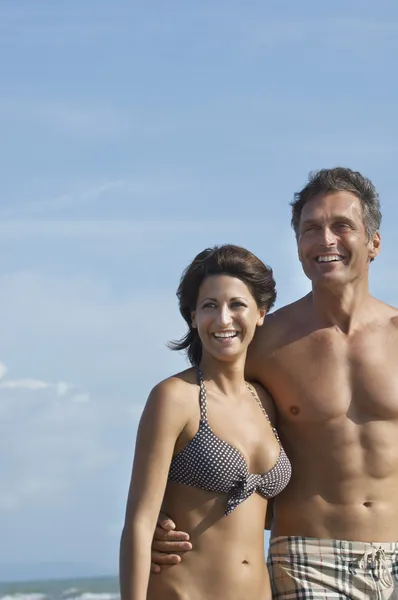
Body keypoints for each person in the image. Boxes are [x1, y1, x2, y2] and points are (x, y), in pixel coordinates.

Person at [150, 167, 398, 599]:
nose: (326, 240)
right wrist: (160, 516)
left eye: (342, 226)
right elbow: (199, 419)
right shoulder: (264, 344)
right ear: (299, 245)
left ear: (374, 241)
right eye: (311, 229)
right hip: (310, 559)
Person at [119, 244, 292, 600]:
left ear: (261, 312)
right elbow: (139, 524)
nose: (223, 319)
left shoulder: (266, 401)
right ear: (193, 317)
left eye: (237, 305)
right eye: (209, 306)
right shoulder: (174, 398)